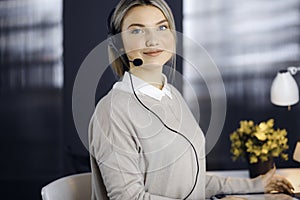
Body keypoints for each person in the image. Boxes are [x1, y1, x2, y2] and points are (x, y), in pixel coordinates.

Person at [89, 0, 294, 199]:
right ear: (119, 45)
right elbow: (129, 198)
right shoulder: (112, 112)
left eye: (162, 27)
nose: (153, 40)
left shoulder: (172, 96)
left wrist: (257, 185)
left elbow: (192, 183)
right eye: (137, 30)